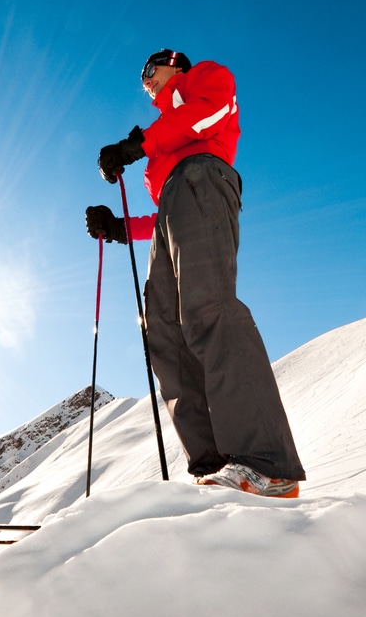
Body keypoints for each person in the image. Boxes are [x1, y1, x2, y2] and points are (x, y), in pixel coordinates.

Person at [86, 49, 305, 498]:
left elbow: (210, 114)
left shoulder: (204, 79)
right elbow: (167, 212)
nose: (145, 82)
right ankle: (215, 467)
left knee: (208, 308)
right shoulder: (163, 130)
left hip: (203, 178)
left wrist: (137, 146)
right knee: (165, 333)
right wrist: (120, 229)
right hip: (176, 199)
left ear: (173, 63)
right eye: (142, 79)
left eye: (149, 71)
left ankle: (266, 464)